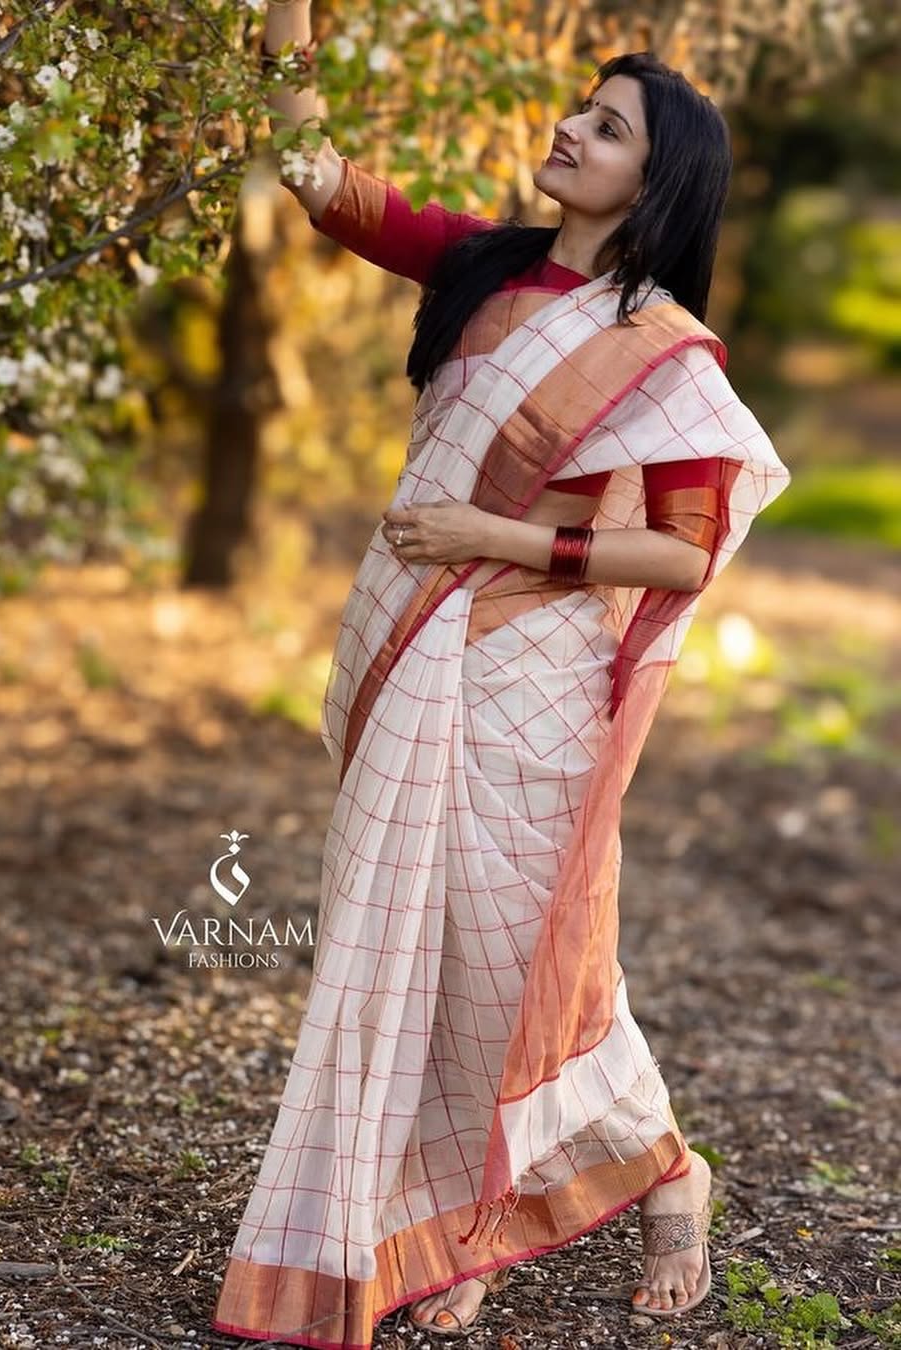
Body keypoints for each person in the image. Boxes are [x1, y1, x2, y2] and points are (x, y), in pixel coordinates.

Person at [211, 7, 791, 1347]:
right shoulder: (482, 265)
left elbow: (683, 551)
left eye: (608, 127)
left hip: (532, 672)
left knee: (512, 953)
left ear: (656, 180)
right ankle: (454, 1221)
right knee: (416, 939)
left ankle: (665, 1172)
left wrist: (498, 536)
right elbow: (316, 177)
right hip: (412, 641)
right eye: (581, 109)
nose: (571, 129)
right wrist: (287, 26)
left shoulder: (660, 351)